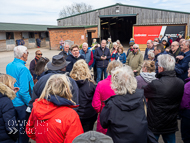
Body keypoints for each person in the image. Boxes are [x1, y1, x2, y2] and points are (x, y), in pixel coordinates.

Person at [26, 74, 84, 143]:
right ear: (66, 89)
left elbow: (30, 130)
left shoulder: (37, 107)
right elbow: (75, 140)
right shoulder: (71, 114)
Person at [100, 66, 148, 143]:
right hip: (139, 138)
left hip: (119, 139)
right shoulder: (141, 97)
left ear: (116, 84)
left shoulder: (112, 104)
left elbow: (104, 123)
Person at [144, 54, 184, 142]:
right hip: (171, 122)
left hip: (155, 124)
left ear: (161, 68)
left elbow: (143, 93)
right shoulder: (180, 83)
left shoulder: (155, 84)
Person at [6, 46, 34, 143]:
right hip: (22, 105)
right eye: (27, 53)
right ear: (23, 54)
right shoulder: (23, 69)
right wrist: (31, 104)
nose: (27, 55)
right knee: (23, 131)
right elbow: (23, 91)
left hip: (12, 102)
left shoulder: (8, 66)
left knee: (15, 129)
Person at [92, 60, 123, 134]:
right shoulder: (124, 84)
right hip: (120, 117)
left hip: (105, 117)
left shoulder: (101, 84)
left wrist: (101, 111)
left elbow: (95, 104)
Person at [70, 60, 97, 132]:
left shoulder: (69, 83)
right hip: (88, 114)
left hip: (74, 113)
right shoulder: (91, 84)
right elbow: (95, 100)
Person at [0, 74, 19, 143]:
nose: (13, 86)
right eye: (13, 84)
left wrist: (11, 93)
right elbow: (10, 126)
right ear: (8, 85)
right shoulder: (6, 102)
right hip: (5, 138)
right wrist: (16, 136)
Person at [180, 68, 190, 143]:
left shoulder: (187, 85)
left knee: (187, 137)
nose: (188, 70)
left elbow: (184, 103)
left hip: (187, 114)